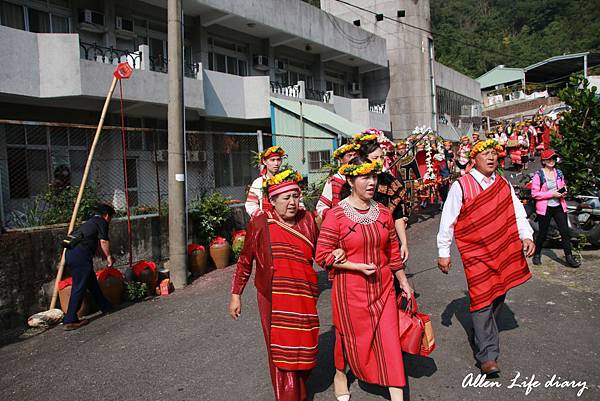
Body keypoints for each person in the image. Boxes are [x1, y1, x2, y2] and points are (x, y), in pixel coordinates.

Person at [230, 168, 333, 401]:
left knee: (305, 344)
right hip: (272, 296)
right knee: (279, 348)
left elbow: (321, 254)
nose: (292, 203)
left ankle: (299, 385)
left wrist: (339, 259)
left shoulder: (307, 221)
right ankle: (287, 395)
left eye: (296, 196)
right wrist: (236, 294)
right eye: (286, 198)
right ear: (272, 201)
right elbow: (245, 261)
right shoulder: (260, 223)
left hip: (305, 294)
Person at [316, 156, 412, 401]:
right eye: (364, 177)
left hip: (383, 288)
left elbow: (392, 250)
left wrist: (403, 280)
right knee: (349, 339)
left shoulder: (383, 213)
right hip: (350, 291)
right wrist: (352, 265)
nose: (372, 182)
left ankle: (397, 395)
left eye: (374, 177)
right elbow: (322, 255)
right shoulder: (336, 215)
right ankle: (340, 374)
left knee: (389, 341)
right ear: (350, 180)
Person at [437, 139, 535, 375]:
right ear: (474, 159)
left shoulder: (503, 184)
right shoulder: (461, 186)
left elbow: (517, 212)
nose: (491, 158)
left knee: (499, 294)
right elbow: (447, 220)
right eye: (485, 154)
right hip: (476, 253)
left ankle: (482, 333)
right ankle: (487, 356)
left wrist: (527, 236)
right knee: (481, 298)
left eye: (494, 154)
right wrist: (443, 252)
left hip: (504, 249)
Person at [356, 135, 409, 261]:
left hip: (387, 237)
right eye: (375, 158)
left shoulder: (389, 180)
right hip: (361, 241)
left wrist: (404, 243)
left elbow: (397, 215)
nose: (379, 161)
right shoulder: (354, 181)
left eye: (381, 157)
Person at [63, 204, 116, 331]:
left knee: (92, 283)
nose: (110, 220)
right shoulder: (102, 222)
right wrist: (109, 257)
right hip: (80, 256)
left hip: (71, 254)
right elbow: (103, 241)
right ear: (107, 215)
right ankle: (70, 319)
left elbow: (94, 244)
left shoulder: (90, 223)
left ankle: (105, 307)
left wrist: (104, 254)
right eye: (111, 217)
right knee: (79, 286)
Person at [531, 150, 580, 267]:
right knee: (542, 233)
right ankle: (537, 254)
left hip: (559, 206)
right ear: (543, 161)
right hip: (545, 207)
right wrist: (552, 194)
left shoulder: (558, 172)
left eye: (553, 159)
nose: (552, 161)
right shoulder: (539, 175)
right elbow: (535, 194)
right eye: (549, 159)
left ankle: (569, 257)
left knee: (565, 232)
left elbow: (563, 186)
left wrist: (564, 191)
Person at [316, 142, 360, 219]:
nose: (353, 158)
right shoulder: (334, 180)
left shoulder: (363, 177)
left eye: (355, 155)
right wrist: (335, 217)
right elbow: (322, 206)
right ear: (341, 160)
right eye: (349, 155)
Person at [245, 146, 285, 216]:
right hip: (266, 221)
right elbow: (250, 204)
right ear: (264, 161)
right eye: (272, 160)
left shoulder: (286, 180)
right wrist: (260, 216)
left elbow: (298, 201)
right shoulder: (258, 183)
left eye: (278, 160)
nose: (276, 163)